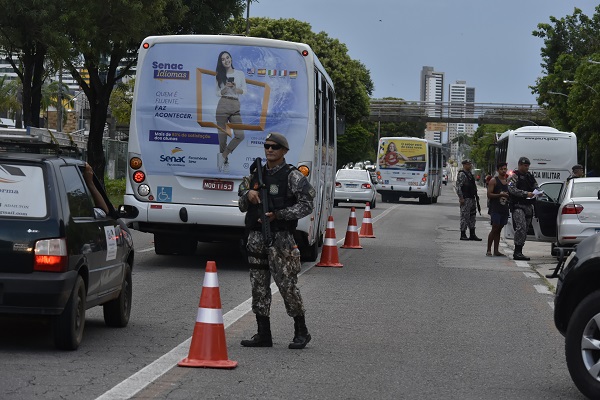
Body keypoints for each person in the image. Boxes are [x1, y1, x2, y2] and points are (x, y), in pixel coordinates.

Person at [238, 132, 316, 349]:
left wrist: (280, 214)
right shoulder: (256, 174)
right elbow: (241, 199)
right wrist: (248, 195)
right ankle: (263, 334)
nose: (270, 150)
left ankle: (301, 331)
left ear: (284, 151)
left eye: (275, 147)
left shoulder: (292, 176)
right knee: (258, 286)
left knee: (287, 285)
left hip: (280, 238)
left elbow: (307, 204)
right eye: (267, 146)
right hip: (256, 236)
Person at [215, 51, 247, 173]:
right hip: (223, 104)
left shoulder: (240, 74)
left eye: (227, 57)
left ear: (231, 58)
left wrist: (235, 88)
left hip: (235, 104)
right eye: (223, 59)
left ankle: (223, 156)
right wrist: (225, 88)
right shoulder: (219, 75)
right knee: (222, 138)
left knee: (240, 135)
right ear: (221, 62)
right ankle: (225, 163)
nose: (226, 60)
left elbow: (245, 91)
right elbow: (217, 93)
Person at [507, 156, 540, 261]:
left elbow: (536, 186)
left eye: (528, 166)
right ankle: (517, 252)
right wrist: (526, 194)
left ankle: (520, 250)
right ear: (520, 165)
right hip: (518, 206)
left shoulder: (529, 176)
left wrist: (538, 192)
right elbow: (511, 189)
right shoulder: (514, 176)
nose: (527, 168)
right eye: (525, 166)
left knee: (525, 229)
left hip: (528, 206)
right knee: (520, 227)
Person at [486, 163, 509, 256]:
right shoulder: (493, 181)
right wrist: (500, 195)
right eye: (502, 169)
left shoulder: (508, 181)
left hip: (504, 208)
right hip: (495, 208)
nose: (504, 170)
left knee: (499, 229)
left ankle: (496, 250)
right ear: (498, 170)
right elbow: (489, 194)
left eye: (505, 169)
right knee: (494, 227)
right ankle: (488, 249)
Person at [456, 159, 482, 241]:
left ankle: (472, 234)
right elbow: (458, 187)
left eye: (470, 164)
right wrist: (461, 198)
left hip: (472, 198)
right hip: (466, 198)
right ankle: (463, 234)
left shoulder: (470, 174)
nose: (470, 165)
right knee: (464, 216)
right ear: (464, 165)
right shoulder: (462, 174)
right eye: (468, 164)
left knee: (472, 216)